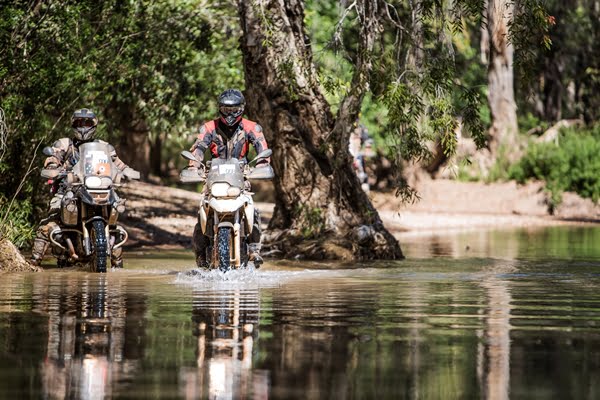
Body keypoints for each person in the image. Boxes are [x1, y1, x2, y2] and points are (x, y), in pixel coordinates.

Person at [30, 108, 132, 267]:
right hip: (69, 190)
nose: (83, 127)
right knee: (46, 227)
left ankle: (118, 270)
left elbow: (117, 163)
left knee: (114, 224)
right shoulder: (65, 143)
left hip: (97, 190)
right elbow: (53, 157)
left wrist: (127, 171)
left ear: (94, 125)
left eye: (87, 123)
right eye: (79, 123)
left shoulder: (104, 146)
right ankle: (32, 265)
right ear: (73, 124)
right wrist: (52, 166)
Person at [187, 89, 270, 268]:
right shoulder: (209, 127)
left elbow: (262, 148)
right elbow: (199, 147)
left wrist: (262, 164)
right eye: (226, 110)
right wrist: (193, 165)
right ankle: (201, 254)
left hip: (241, 177)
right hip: (214, 178)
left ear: (241, 109)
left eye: (234, 110)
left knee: (253, 210)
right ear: (220, 109)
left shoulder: (251, 127)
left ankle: (254, 249)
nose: (230, 114)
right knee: (203, 211)